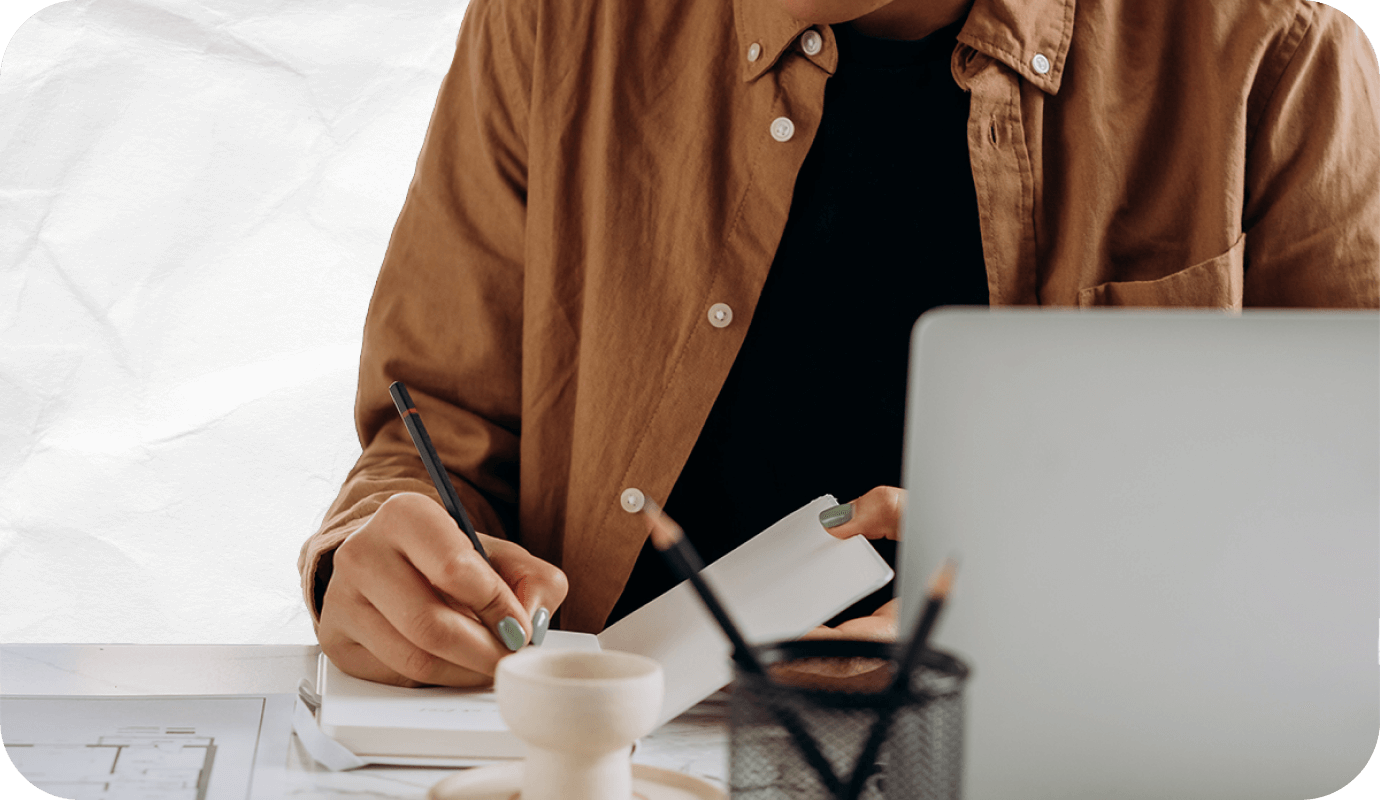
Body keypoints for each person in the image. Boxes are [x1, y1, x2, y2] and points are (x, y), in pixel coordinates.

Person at [298, 0, 1380, 687]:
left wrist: (1081, 597)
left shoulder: (1276, 57)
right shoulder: (553, 25)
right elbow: (432, 427)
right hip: (615, 755)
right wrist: (376, 556)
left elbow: (1343, 549)